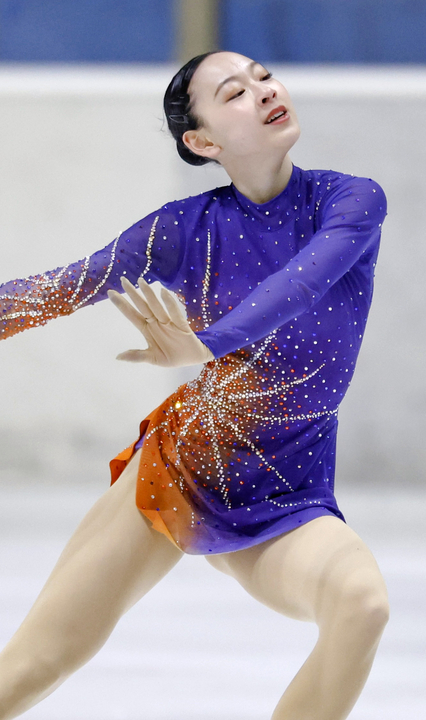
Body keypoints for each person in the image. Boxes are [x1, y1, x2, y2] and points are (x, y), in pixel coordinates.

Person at [0, 51, 389, 719]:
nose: (263, 91)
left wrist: (207, 342)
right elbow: (60, 288)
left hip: (290, 487)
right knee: (34, 667)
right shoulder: (182, 231)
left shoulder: (349, 201)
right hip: (182, 470)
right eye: (234, 93)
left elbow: (298, 285)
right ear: (203, 141)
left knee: (363, 605)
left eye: (263, 77)